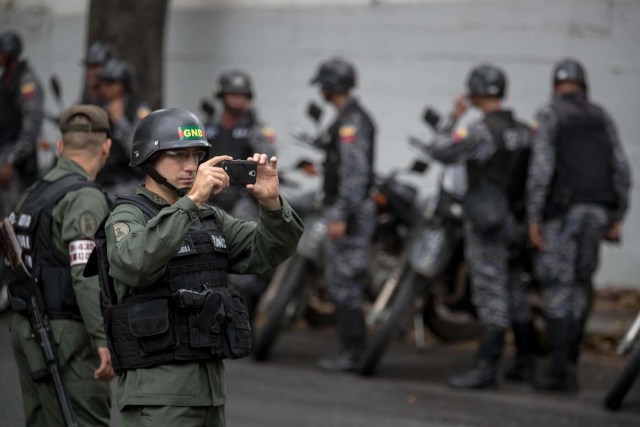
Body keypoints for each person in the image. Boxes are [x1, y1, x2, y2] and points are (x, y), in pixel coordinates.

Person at [97, 108, 303, 426]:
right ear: (148, 158)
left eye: (196, 156)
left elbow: (268, 251)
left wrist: (272, 205)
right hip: (159, 396)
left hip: (210, 393)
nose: (191, 166)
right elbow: (136, 264)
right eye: (179, 156)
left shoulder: (208, 218)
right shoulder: (128, 216)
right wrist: (191, 202)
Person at [424, 64, 534, 389]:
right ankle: (525, 363)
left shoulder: (480, 130)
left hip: (487, 222)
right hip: (516, 222)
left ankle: (486, 368)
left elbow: (439, 150)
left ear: (473, 94)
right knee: (515, 290)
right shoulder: (524, 130)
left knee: (491, 293)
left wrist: (453, 116)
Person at [527, 58, 631, 392]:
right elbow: (622, 169)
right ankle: (569, 361)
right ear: (584, 87)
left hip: (563, 215)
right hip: (598, 215)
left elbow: (540, 171)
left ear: (555, 88)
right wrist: (618, 216)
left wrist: (534, 218)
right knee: (581, 284)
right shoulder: (602, 116)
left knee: (559, 287)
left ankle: (560, 373)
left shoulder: (550, 114)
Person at [9, 105, 115, 425]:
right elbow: (86, 275)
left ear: (59, 147)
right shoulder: (85, 197)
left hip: (27, 325)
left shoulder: (34, 192)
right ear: (106, 147)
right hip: (66, 332)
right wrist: (103, 339)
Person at [309, 58, 376, 372]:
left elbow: (354, 174)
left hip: (350, 213)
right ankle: (351, 349)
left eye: (323, 84)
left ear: (331, 86)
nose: (320, 90)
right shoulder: (345, 118)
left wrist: (340, 215)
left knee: (345, 284)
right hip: (348, 209)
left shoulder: (352, 122)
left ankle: (353, 352)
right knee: (341, 283)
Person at [204, 70, 277, 320]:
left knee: (242, 272)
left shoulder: (256, 128)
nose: (238, 100)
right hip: (209, 199)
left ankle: (245, 325)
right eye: (233, 95)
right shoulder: (208, 127)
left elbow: (266, 158)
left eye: (243, 95)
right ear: (222, 96)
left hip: (241, 202)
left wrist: (253, 129)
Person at [0, 30, 44, 219]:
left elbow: (30, 128)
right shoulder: (6, 79)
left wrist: (11, 161)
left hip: (17, 166)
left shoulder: (26, 81)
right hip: (4, 154)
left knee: (14, 220)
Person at [96, 57, 150, 196]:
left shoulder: (138, 110)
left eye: (111, 82)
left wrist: (120, 121)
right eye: (103, 82)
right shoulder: (99, 108)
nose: (105, 87)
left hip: (127, 182)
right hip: (100, 180)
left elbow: (139, 153)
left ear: (124, 85)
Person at [80, 40, 118, 106]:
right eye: (88, 67)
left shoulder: (120, 101)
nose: (89, 72)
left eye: (95, 67)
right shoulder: (89, 98)